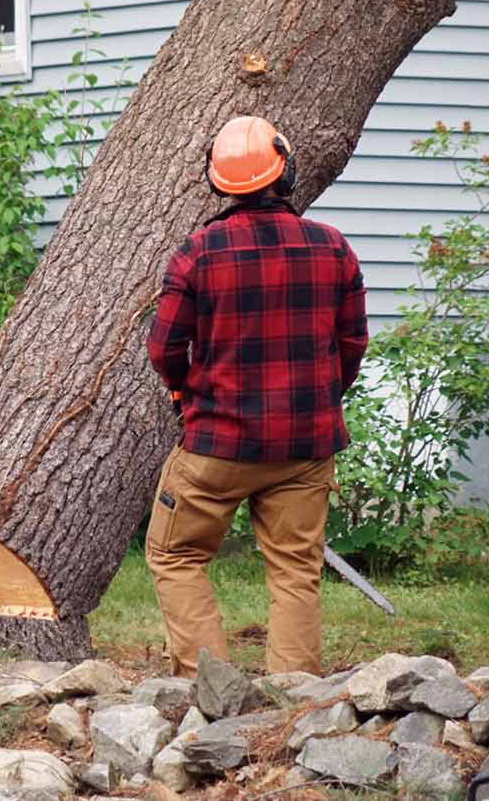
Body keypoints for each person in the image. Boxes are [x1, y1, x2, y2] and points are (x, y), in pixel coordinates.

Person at [144, 115, 369, 677]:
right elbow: (352, 343)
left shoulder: (198, 253)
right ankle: (296, 700)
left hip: (218, 444)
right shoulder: (333, 247)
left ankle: (207, 686)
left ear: (218, 181)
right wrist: (317, 401)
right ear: (285, 173)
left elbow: (164, 349)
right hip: (305, 446)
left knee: (174, 554)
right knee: (295, 569)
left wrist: (184, 397)